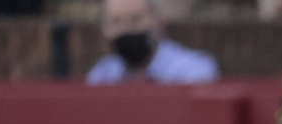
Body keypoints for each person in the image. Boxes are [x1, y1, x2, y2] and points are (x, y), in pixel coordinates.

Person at [86, 0, 220, 85]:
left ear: (158, 20)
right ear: (104, 28)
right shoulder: (102, 75)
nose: (126, 29)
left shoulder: (193, 71)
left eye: (135, 19)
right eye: (116, 21)